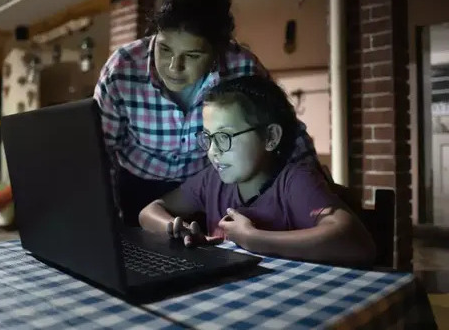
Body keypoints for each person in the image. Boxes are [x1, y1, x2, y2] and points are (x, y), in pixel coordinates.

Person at [94, 0, 317, 226]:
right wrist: (102, 212)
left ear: (217, 50)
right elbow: (98, 151)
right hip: (136, 186)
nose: (173, 67)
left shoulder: (241, 67)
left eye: (191, 55)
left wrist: (316, 187)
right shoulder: (122, 69)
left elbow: (286, 131)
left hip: (207, 189)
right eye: (164, 49)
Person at [139, 75, 376, 267]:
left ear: (270, 137)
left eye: (224, 136)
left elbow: (357, 242)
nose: (212, 151)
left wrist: (253, 238)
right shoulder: (211, 181)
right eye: (208, 137)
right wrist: (175, 229)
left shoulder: (294, 181)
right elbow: (149, 211)